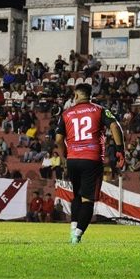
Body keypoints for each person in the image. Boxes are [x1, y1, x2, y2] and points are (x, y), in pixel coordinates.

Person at [55, 83, 125, 244]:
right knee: (88, 199)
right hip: (91, 159)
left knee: (77, 196)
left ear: (77, 96)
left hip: (73, 159)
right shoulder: (99, 110)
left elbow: (59, 139)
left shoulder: (66, 113)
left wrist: (64, 155)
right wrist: (120, 149)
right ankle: (77, 235)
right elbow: (114, 126)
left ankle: (73, 229)